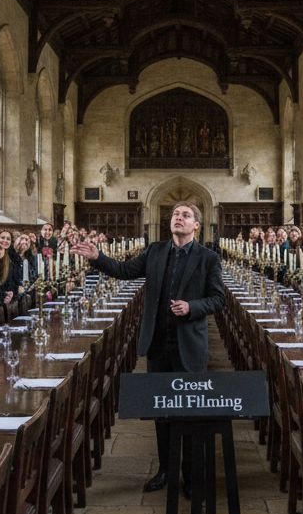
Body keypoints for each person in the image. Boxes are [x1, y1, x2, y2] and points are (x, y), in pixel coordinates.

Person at [75, 203, 226, 494]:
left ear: (197, 225)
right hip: (158, 343)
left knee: (190, 412)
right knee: (162, 412)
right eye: (175, 215)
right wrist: (98, 258)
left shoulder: (208, 258)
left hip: (189, 346)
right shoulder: (156, 251)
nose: (178, 218)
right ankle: (166, 471)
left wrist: (192, 306)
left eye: (185, 215)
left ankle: (192, 477)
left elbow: (218, 299)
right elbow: (123, 270)